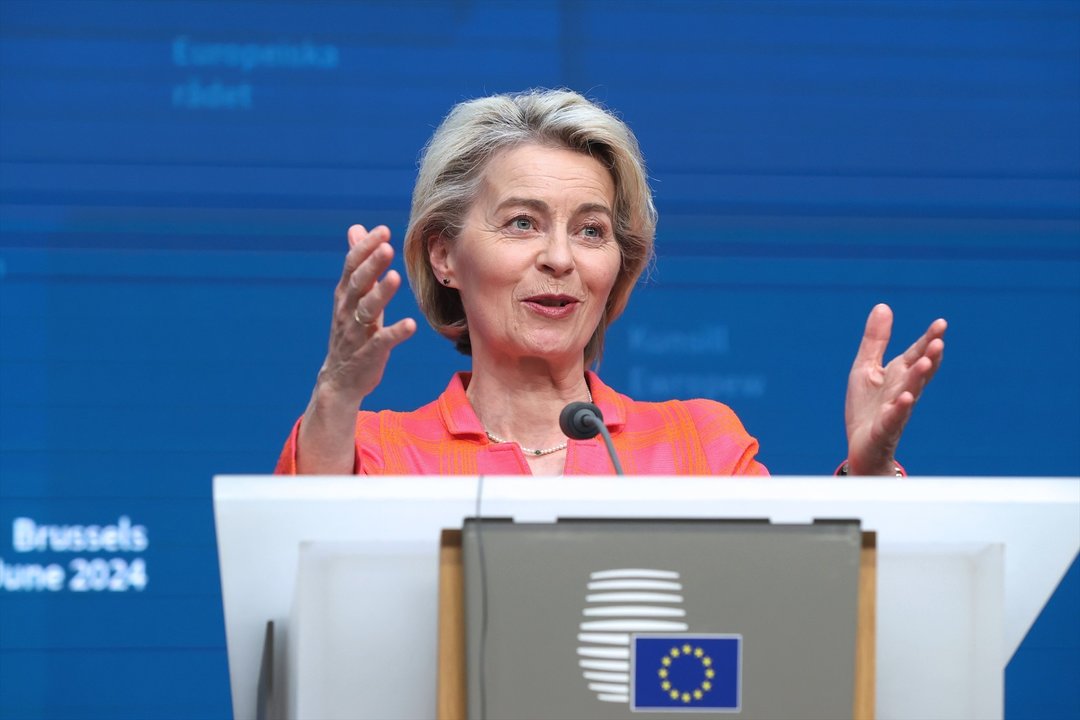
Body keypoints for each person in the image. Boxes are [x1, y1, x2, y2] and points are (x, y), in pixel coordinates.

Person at [276, 89, 946, 477]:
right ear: (444, 254)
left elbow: (799, 611)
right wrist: (337, 389)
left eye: (592, 231)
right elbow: (300, 580)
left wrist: (865, 476)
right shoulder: (379, 452)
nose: (561, 258)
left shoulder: (698, 445)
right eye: (521, 223)